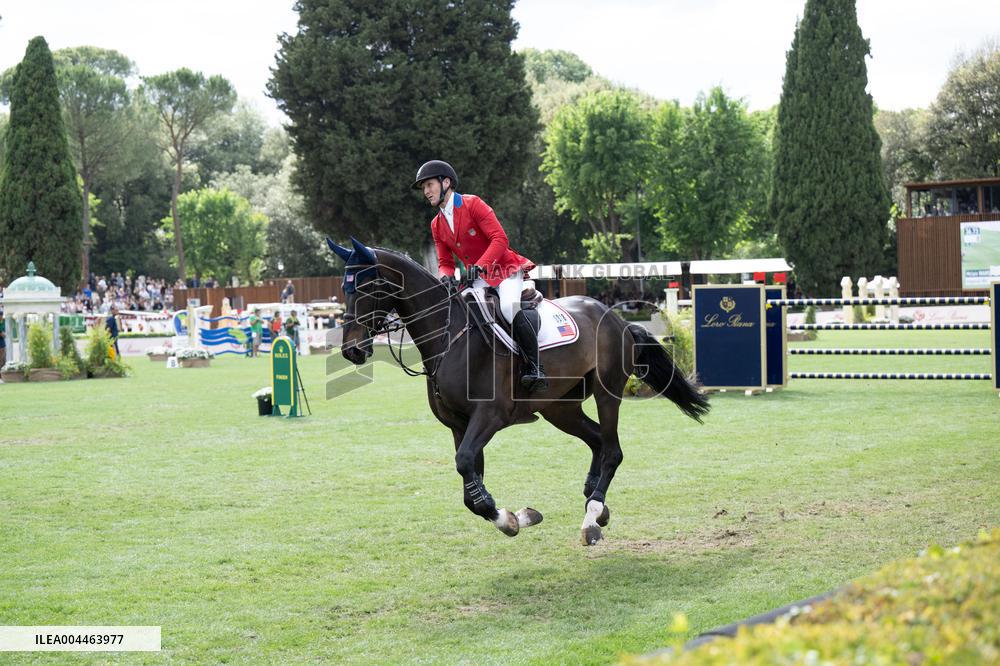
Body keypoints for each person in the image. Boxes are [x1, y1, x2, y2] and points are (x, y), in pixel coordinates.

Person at [412, 160, 546, 392]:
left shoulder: (473, 204)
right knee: (458, 315)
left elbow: (500, 239)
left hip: (504, 270)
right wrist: (445, 277)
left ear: (446, 183)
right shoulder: (437, 224)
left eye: (430, 185)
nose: (426, 191)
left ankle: (536, 368)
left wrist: (481, 265)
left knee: (508, 308)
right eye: (423, 187)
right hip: (476, 278)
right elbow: (445, 263)